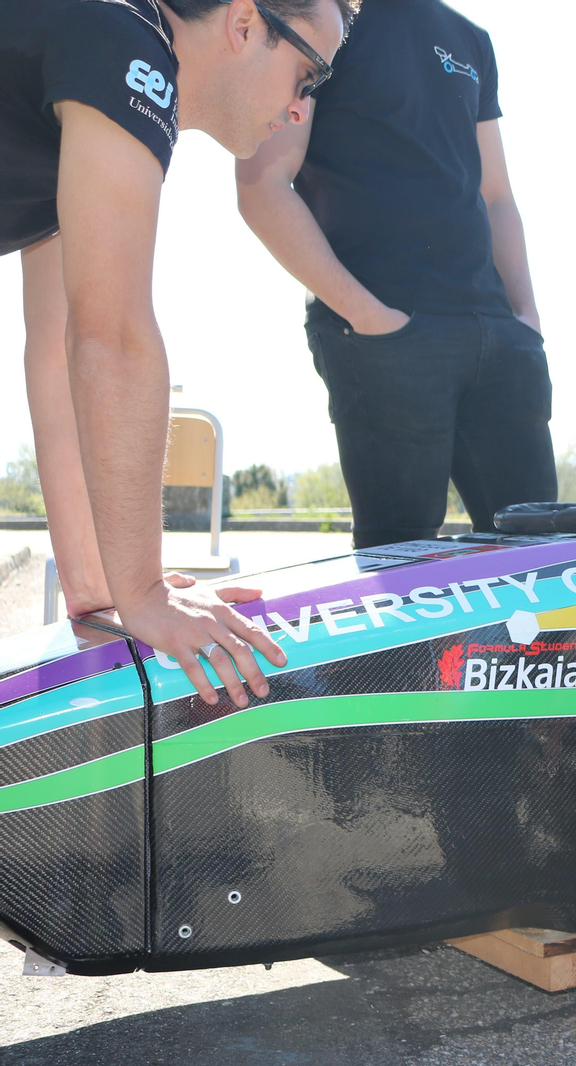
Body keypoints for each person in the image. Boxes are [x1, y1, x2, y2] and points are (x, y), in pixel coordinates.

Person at [7, 0, 351, 708]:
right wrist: (145, 593)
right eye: (307, 76)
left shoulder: (94, 49)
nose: (299, 110)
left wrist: (106, 588)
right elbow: (116, 339)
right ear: (245, 23)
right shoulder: (125, 47)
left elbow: (62, 346)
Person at [236, 0, 555, 551]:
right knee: (400, 563)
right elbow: (262, 187)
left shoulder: (470, 38)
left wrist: (525, 319)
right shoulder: (317, 19)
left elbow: (497, 194)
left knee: (545, 550)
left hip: (497, 336)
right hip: (385, 338)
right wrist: (369, 316)